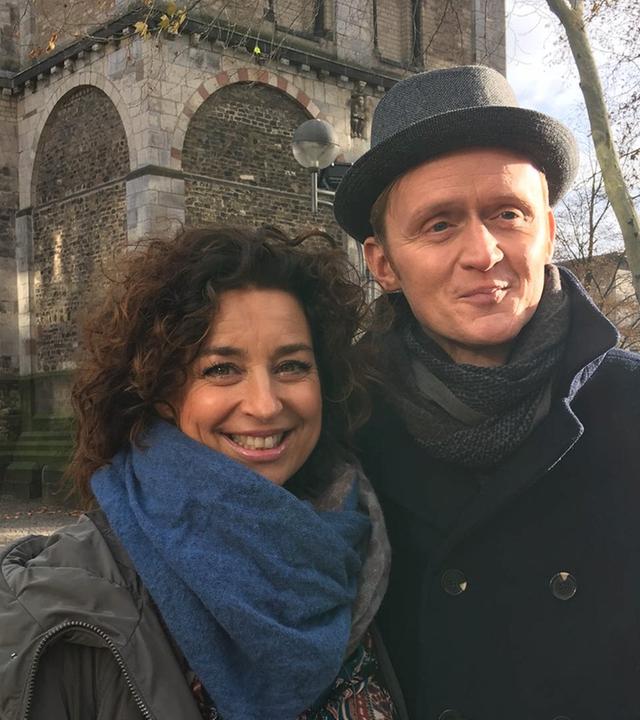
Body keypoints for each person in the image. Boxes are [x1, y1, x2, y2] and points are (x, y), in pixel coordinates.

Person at [333, 64, 640, 719]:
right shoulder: (341, 433)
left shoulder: (633, 407)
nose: (483, 252)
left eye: (508, 214)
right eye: (439, 225)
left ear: (548, 232)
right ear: (383, 263)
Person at [0, 226, 406, 720]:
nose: (265, 404)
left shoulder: (365, 541)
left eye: (292, 365)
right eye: (221, 369)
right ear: (159, 391)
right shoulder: (50, 618)